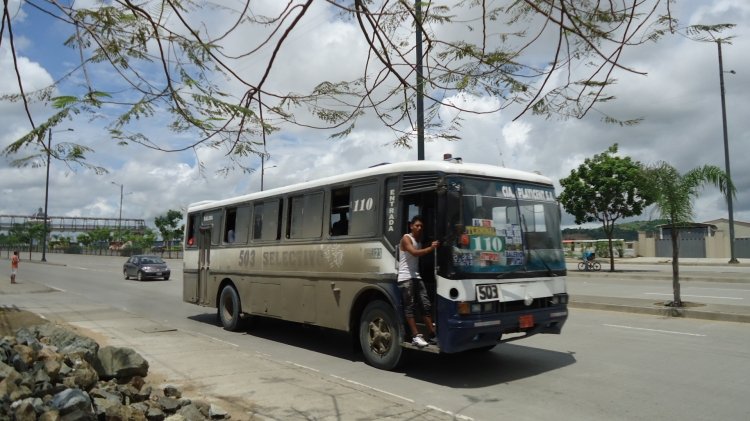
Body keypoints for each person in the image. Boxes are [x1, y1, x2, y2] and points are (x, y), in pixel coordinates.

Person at [398, 215, 439, 347]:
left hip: (416, 276)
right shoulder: (406, 238)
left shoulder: (420, 241)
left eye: (421, 226)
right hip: (406, 277)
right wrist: (431, 248)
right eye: (417, 225)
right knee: (409, 307)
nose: (419, 228)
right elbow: (414, 253)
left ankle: (433, 335)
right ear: (411, 226)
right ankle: (416, 336)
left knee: (425, 305)